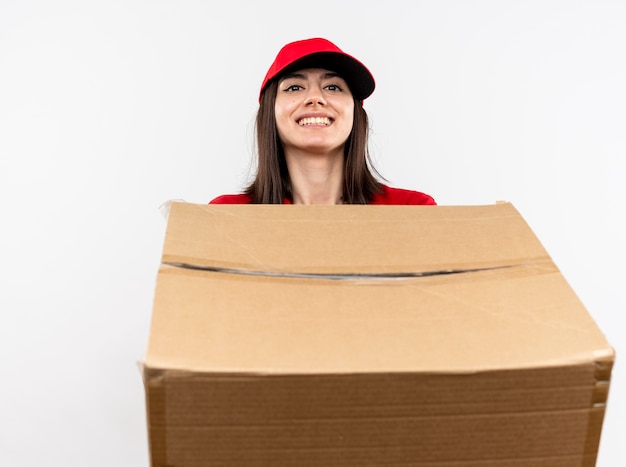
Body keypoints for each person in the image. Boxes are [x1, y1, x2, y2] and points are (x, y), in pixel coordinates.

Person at [210, 37, 435, 205]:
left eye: (333, 87)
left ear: (356, 114)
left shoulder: (412, 210)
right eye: (295, 87)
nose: (315, 98)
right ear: (270, 113)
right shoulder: (226, 214)